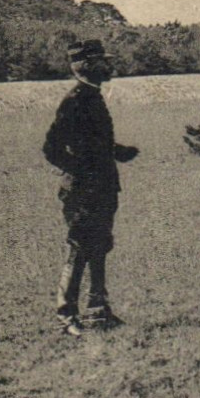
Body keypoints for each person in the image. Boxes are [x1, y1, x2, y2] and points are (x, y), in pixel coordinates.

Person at [44, 40, 138, 336]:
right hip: (83, 190)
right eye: (103, 61)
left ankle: (98, 311)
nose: (110, 66)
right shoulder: (75, 100)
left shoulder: (93, 97)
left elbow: (92, 143)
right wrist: (81, 173)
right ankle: (65, 314)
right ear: (87, 66)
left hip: (103, 187)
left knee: (99, 247)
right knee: (80, 248)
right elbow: (51, 148)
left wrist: (117, 151)